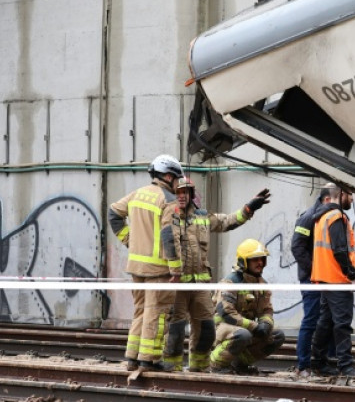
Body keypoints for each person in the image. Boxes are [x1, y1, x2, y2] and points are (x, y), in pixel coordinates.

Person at [162, 177, 271, 372]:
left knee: (205, 328)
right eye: (178, 192)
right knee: (175, 328)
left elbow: (226, 221)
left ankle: (200, 367)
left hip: (201, 286)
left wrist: (248, 208)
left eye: (185, 192)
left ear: (191, 195)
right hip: (178, 284)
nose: (181, 196)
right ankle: (172, 368)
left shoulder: (202, 217)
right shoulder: (168, 218)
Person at [107, 154, 184, 372]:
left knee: (140, 311)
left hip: (136, 267)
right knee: (157, 314)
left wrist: (129, 240)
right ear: (168, 176)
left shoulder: (137, 194)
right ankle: (149, 360)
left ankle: (132, 358)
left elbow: (114, 213)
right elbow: (170, 237)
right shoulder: (168, 200)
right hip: (158, 269)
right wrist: (176, 270)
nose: (178, 184)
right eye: (177, 179)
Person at [309, 185, 355, 378]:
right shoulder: (337, 217)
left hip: (326, 278)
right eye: (350, 194)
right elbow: (340, 250)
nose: (352, 199)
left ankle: (318, 363)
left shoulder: (321, 217)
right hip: (337, 279)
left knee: (325, 322)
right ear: (341, 194)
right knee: (342, 323)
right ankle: (346, 366)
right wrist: (352, 275)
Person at [209, 238, 286, 375]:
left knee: (277, 335)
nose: (260, 263)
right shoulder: (230, 283)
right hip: (222, 328)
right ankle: (215, 364)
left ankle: (240, 364)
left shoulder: (262, 285)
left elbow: (266, 310)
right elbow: (226, 313)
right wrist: (254, 327)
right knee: (243, 335)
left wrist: (265, 324)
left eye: (262, 259)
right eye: (255, 259)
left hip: (245, 328)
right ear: (243, 262)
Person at [292, 182, 336, 378]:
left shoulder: (328, 217)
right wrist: (315, 271)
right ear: (327, 199)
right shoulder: (308, 218)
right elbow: (297, 247)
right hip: (313, 279)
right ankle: (303, 365)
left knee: (328, 321)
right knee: (311, 320)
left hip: (326, 279)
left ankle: (326, 362)